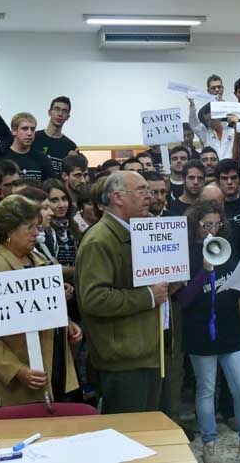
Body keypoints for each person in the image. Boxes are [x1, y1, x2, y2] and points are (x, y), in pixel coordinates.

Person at [175, 201, 240, 462]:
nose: (212, 230)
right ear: (195, 224)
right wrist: (204, 272)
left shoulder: (226, 250)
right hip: (199, 331)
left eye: (217, 224)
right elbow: (183, 299)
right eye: (207, 224)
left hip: (229, 328)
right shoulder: (185, 254)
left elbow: (235, 290)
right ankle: (209, 443)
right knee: (206, 389)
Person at [0, 195, 81, 407]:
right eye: (29, 227)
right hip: (19, 384)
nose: (36, 233)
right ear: (9, 231)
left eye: (37, 226)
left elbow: (44, 309)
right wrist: (16, 370)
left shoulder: (38, 261)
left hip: (55, 372)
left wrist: (66, 323)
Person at [75, 171, 168, 413]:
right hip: (122, 359)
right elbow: (94, 299)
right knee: (130, 435)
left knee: (147, 432)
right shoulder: (99, 240)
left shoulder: (138, 232)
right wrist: (149, 296)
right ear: (118, 198)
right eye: (141, 190)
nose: (149, 196)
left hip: (145, 349)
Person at [0, 112, 56, 187]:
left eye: (32, 129)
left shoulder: (42, 159)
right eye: (25, 129)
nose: (29, 133)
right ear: (14, 131)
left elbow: (52, 187)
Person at [33, 96, 77, 175]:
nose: (60, 114)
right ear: (49, 112)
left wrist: (73, 161)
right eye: (57, 109)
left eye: (64, 111)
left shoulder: (70, 147)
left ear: (68, 117)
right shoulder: (34, 138)